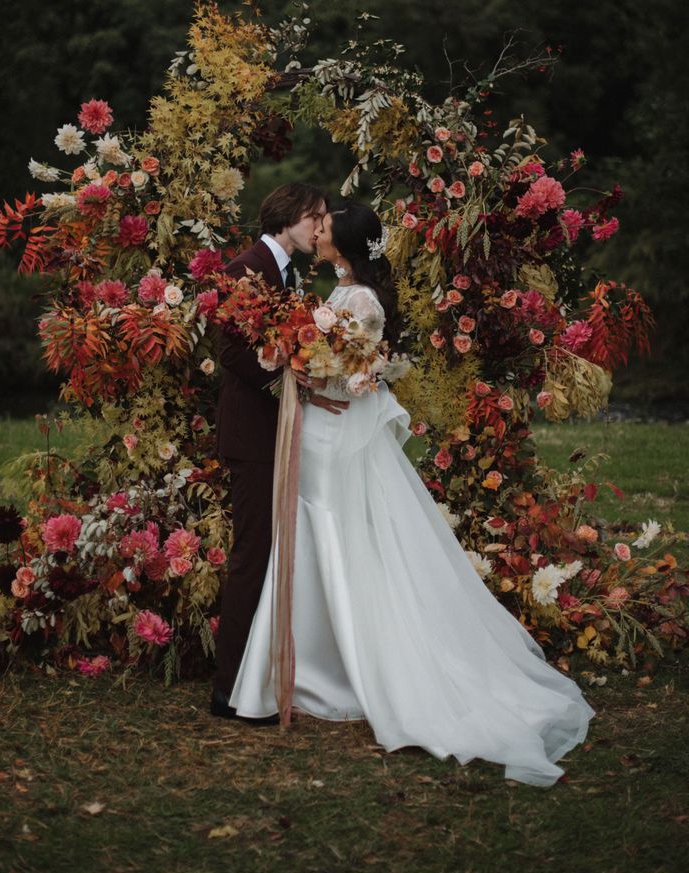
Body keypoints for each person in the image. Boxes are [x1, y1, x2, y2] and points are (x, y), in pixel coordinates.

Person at [228, 201, 595, 786]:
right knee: (313, 539)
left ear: (344, 243)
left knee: (334, 537)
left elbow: (352, 378)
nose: (317, 232)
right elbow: (340, 366)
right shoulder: (342, 295)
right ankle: (308, 669)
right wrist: (294, 356)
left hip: (331, 435)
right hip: (317, 430)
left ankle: (342, 671)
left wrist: (301, 362)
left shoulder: (361, 302)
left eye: (324, 227)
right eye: (315, 224)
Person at [211, 181, 337, 722]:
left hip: (278, 432)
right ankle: (227, 690)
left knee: (270, 554)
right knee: (251, 555)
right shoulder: (248, 268)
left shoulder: (286, 273)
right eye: (316, 218)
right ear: (289, 217)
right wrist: (288, 384)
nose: (320, 228)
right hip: (254, 436)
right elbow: (231, 352)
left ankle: (258, 678)